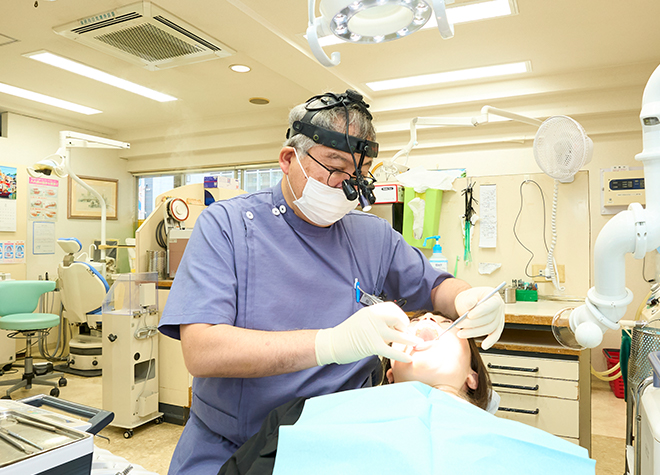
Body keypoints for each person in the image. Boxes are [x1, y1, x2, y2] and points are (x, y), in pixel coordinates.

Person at [158, 90, 506, 474]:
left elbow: (437, 287)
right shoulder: (226, 225)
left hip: (338, 447)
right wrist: (330, 344)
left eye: (360, 172)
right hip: (230, 448)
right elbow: (202, 351)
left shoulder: (372, 236)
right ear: (289, 159)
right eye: (336, 167)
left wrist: (467, 298)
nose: (348, 185)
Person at [219, 312, 595, 475]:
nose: (429, 322)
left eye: (448, 323)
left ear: (472, 377)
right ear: (390, 371)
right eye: (412, 325)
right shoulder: (304, 418)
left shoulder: (528, 451)